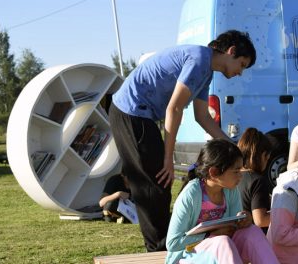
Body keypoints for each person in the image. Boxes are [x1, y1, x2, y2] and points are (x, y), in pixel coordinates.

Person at [109, 30, 256, 251]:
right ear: (231, 51)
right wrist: (169, 158)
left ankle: (163, 246)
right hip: (131, 113)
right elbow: (174, 108)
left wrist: (234, 149)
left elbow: (203, 117)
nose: (240, 72)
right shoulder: (198, 61)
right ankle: (159, 250)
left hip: (139, 116)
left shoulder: (206, 70)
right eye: (242, 64)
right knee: (155, 183)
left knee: (159, 184)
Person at [166, 139, 279, 264]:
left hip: (223, 252)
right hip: (189, 256)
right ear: (214, 172)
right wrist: (210, 235)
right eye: (236, 171)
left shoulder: (230, 190)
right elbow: (172, 243)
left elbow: (234, 227)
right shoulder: (191, 194)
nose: (240, 176)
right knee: (222, 242)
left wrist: (243, 221)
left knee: (252, 231)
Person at [237, 127, 273, 233]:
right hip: (252, 238)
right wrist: (288, 215)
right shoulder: (257, 180)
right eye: (267, 158)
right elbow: (261, 220)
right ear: (263, 155)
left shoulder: (234, 177)